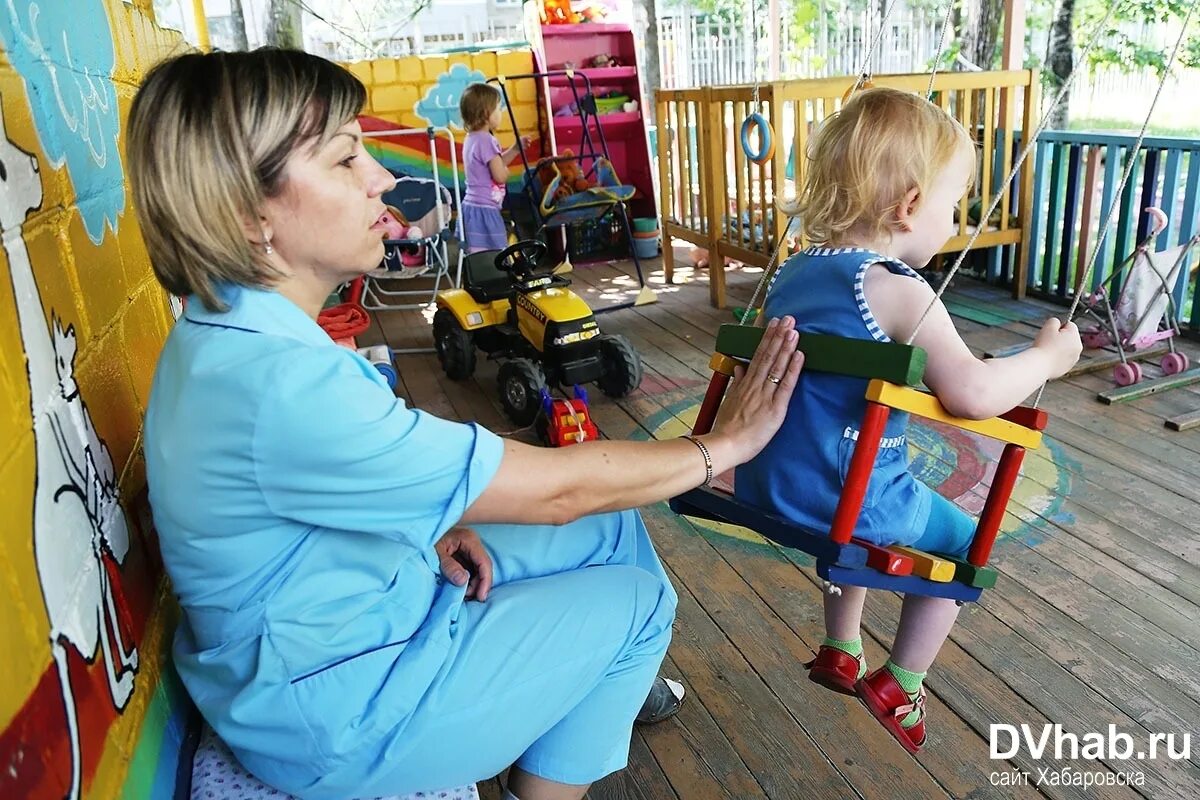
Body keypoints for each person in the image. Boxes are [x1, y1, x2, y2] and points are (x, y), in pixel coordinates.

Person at [126, 48, 804, 800]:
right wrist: (722, 447)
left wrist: (429, 523)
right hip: (340, 717)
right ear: (248, 216)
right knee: (641, 605)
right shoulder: (279, 385)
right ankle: (577, 729)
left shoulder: (235, 338)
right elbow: (556, 493)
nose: (380, 178)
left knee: (615, 535)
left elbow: (303, 499)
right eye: (348, 159)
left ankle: (596, 689)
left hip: (327, 640)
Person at [734, 88, 1082, 754]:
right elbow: (974, 391)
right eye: (954, 205)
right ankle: (902, 682)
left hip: (772, 484)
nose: (957, 221)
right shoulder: (896, 288)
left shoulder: (794, 271)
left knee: (845, 519)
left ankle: (841, 646)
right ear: (911, 205)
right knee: (963, 542)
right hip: (849, 502)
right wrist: (1046, 357)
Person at [459, 82, 529, 253]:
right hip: (485, 209)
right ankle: (496, 279)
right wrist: (506, 174)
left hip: (472, 206)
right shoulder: (488, 140)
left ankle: (479, 278)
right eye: (498, 109)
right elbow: (498, 174)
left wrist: (514, 150)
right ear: (485, 114)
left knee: (477, 252)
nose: (500, 113)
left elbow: (493, 163)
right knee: (496, 251)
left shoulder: (472, 138)